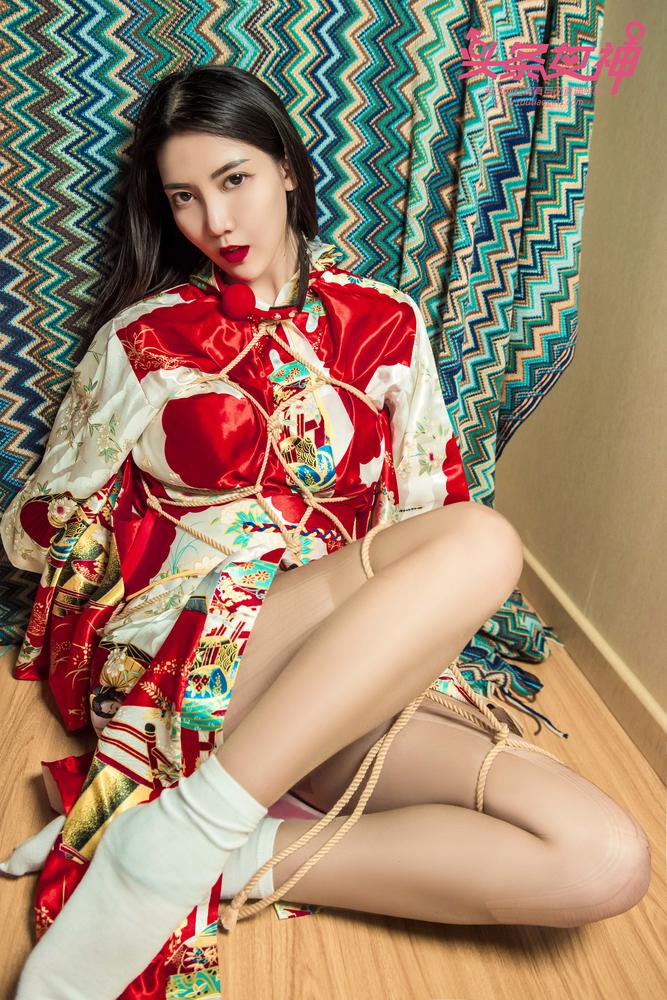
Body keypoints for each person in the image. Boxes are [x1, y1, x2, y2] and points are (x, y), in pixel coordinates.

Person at [0, 64, 650, 1000]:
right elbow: (30, 539)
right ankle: (187, 824)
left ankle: (195, 847)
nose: (215, 221)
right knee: (483, 540)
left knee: (602, 860)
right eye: (184, 197)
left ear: (287, 169)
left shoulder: (387, 323)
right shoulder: (145, 339)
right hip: (204, 660)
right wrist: (113, 489)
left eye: (234, 179)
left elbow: (424, 509)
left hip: (345, 672)